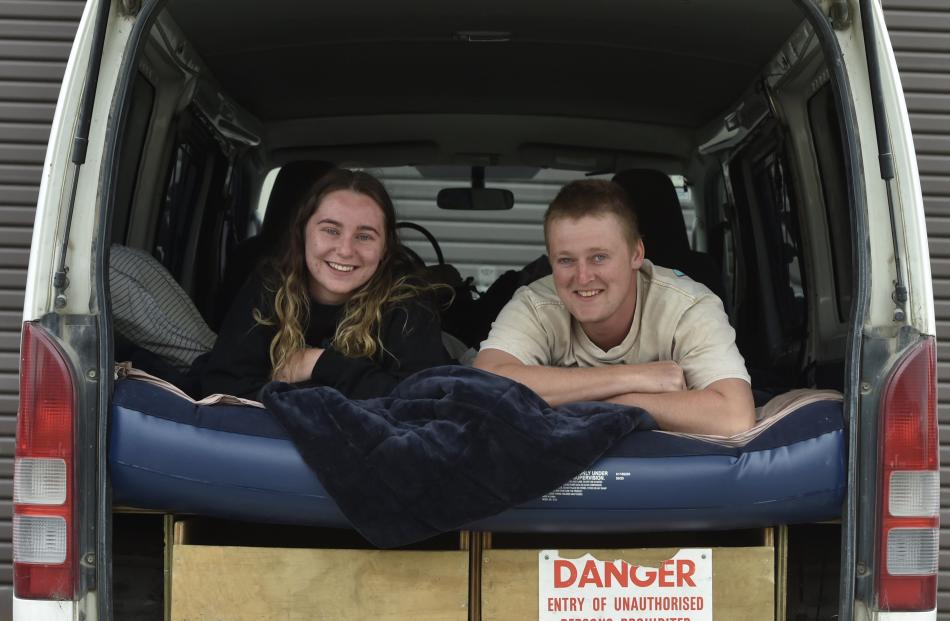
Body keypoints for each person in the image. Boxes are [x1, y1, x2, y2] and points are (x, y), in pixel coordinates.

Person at [473, 179, 755, 436]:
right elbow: (485, 384)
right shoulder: (536, 304)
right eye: (566, 260)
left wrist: (610, 402)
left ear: (636, 254)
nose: (582, 278)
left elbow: (734, 416)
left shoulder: (687, 307)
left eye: (598, 258)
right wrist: (637, 377)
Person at [200, 168, 453, 400]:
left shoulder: (409, 305)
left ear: (385, 248)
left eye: (364, 236)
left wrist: (320, 363)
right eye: (331, 230)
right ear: (302, 232)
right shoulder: (269, 287)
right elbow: (221, 386)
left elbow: (422, 404)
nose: (345, 250)